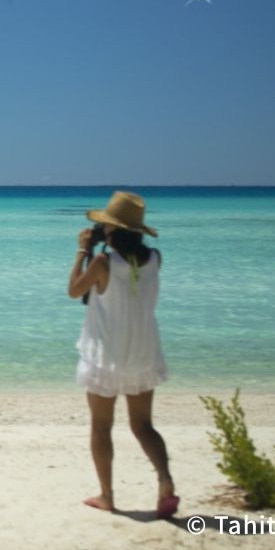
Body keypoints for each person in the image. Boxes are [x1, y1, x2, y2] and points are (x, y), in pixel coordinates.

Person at [67, 191, 177, 518]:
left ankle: (107, 495)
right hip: (143, 351)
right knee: (144, 426)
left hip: (106, 354)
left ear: (111, 230)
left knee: (101, 427)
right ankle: (165, 478)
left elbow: (74, 291)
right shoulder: (155, 258)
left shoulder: (103, 262)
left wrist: (82, 250)